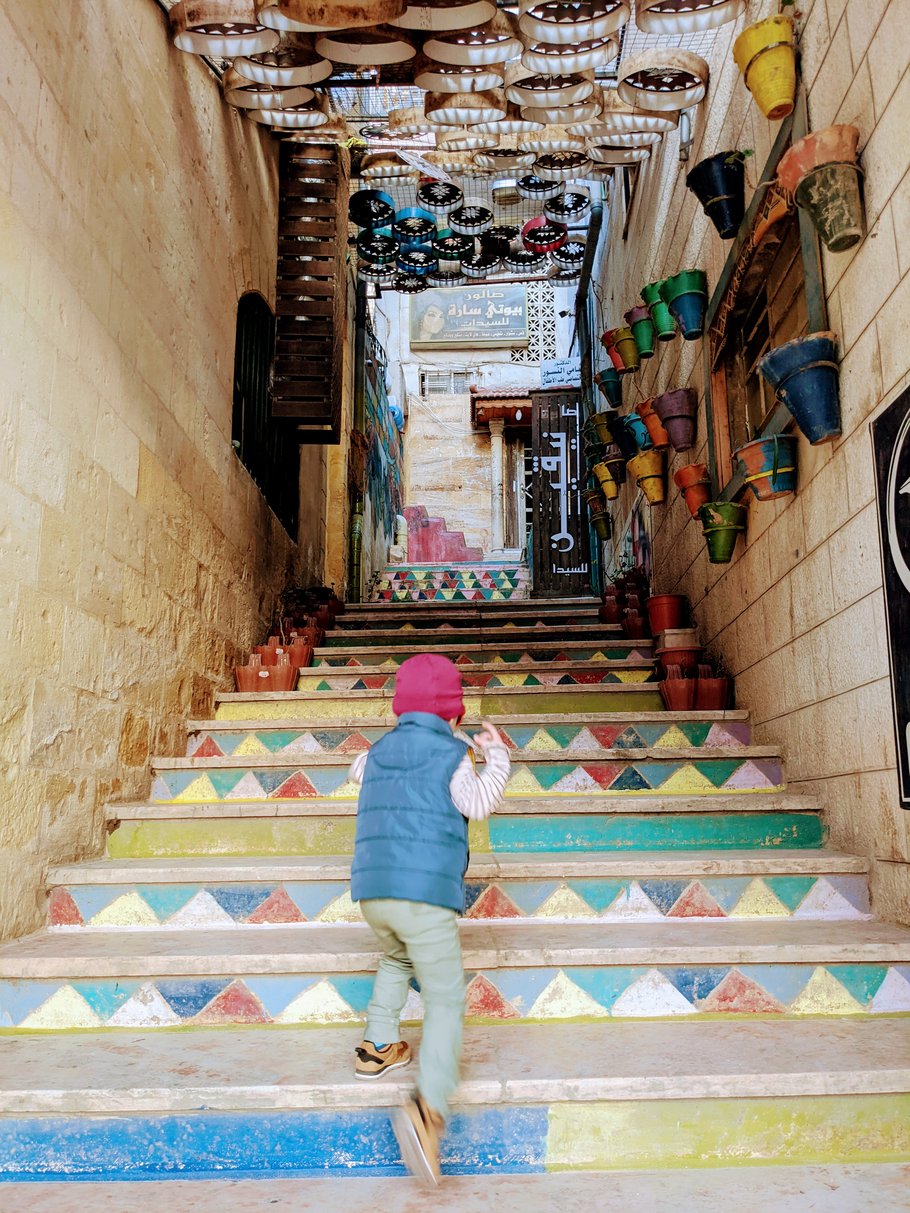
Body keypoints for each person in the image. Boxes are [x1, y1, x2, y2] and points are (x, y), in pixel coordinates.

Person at [348, 653, 511, 1187]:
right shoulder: (453, 755)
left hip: (373, 892)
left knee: (396, 956)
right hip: (424, 894)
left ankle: (377, 1046)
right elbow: (480, 803)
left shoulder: (376, 751)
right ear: (453, 715)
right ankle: (429, 1109)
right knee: (444, 997)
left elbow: (358, 773)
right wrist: (497, 758)